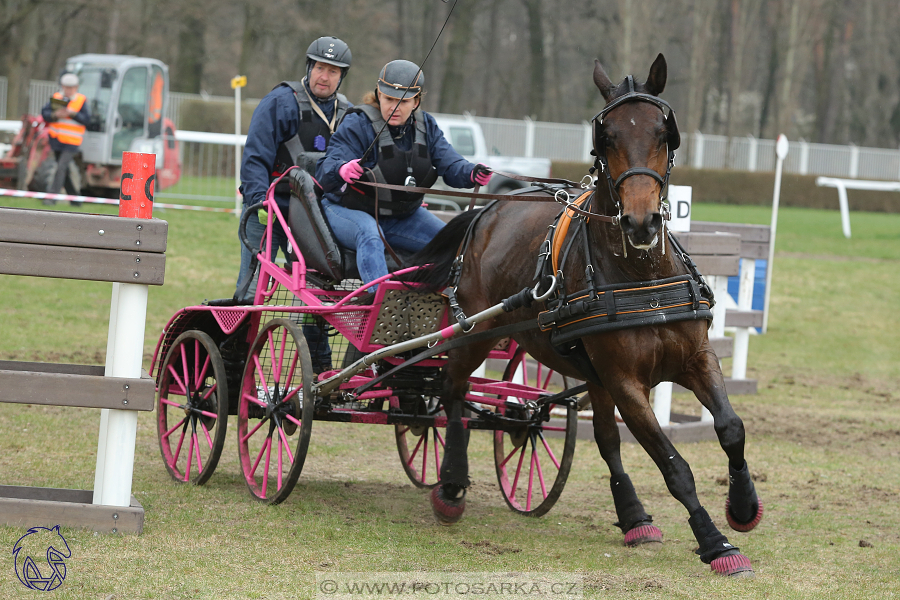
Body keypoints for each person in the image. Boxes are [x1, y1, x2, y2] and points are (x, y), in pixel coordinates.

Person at [235, 35, 353, 373]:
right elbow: (255, 158)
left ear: (341, 77)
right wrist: (260, 202)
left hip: (315, 218)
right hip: (270, 210)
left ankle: (320, 371)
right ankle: (236, 364)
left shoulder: (347, 113)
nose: (324, 76)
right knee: (251, 287)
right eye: (319, 67)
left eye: (333, 71)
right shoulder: (281, 102)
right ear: (309, 67)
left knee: (318, 291)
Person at [317, 59, 491, 286]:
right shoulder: (357, 123)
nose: (394, 108)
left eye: (403, 101)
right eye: (388, 99)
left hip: (403, 217)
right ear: (379, 94)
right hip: (348, 211)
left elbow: (451, 163)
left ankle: (443, 303)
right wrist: (341, 168)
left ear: (416, 101)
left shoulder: (427, 126)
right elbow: (327, 166)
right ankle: (380, 307)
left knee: (455, 243)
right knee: (370, 235)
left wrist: (470, 173)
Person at [40, 72, 90, 206]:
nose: (69, 90)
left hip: (72, 142)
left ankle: (51, 198)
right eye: (67, 87)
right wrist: (54, 114)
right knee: (64, 170)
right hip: (56, 140)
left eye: (71, 87)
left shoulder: (81, 100)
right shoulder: (56, 97)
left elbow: (87, 120)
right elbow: (44, 114)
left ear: (76, 87)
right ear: (62, 86)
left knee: (61, 167)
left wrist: (72, 114)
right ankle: (75, 200)